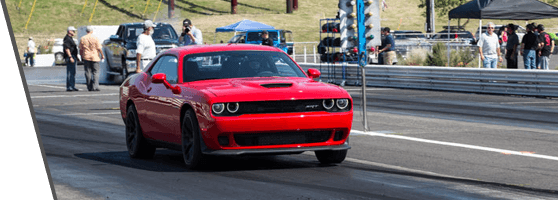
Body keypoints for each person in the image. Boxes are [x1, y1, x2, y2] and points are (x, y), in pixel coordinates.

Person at [79, 26, 104, 91]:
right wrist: (102, 55)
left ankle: (89, 86)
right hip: (95, 56)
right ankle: (95, 86)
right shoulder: (95, 38)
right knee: (96, 72)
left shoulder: (83, 38)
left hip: (86, 56)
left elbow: (80, 49)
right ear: (92, 31)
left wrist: (81, 55)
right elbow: (99, 48)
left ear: (86, 31)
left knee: (88, 72)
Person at [64, 26, 80, 91]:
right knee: (70, 72)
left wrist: (76, 57)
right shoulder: (67, 39)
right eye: (73, 31)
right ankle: (69, 86)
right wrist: (70, 57)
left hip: (73, 56)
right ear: (70, 31)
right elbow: (67, 48)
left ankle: (72, 85)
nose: (74, 32)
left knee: (73, 72)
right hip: (70, 56)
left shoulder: (70, 38)